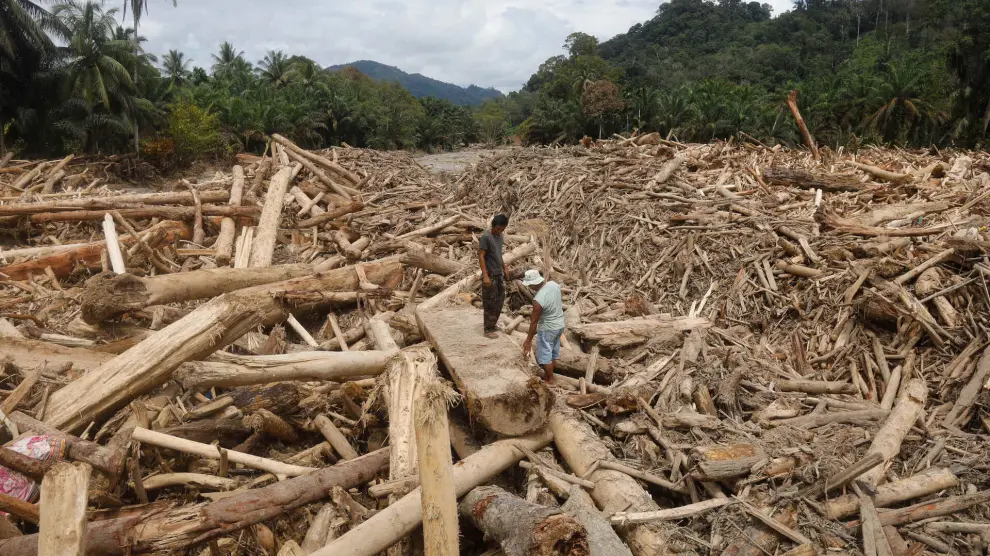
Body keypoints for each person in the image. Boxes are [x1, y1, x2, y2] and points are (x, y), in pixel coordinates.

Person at [521, 269, 565, 384]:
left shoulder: (538, 300)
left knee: (545, 355)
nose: (529, 287)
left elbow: (533, 323)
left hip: (548, 328)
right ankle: (548, 375)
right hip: (559, 325)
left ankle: (550, 379)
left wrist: (528, 340)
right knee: (552, 353)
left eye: (529, 285)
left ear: (533, 284)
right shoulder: (553, 285)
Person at [478, 214, 510, 339]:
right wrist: (485, 275)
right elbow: (481, 256)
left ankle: (493, 324)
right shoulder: (486, 237)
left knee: (500, 300)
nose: (499, 231)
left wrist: (504, 267)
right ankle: (487, 329)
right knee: (489, 302)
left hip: (498, 273)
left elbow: (498, 254)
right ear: (493, 225)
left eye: (502, 229)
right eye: (497, 229)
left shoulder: (500, 236)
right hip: (490, 274)